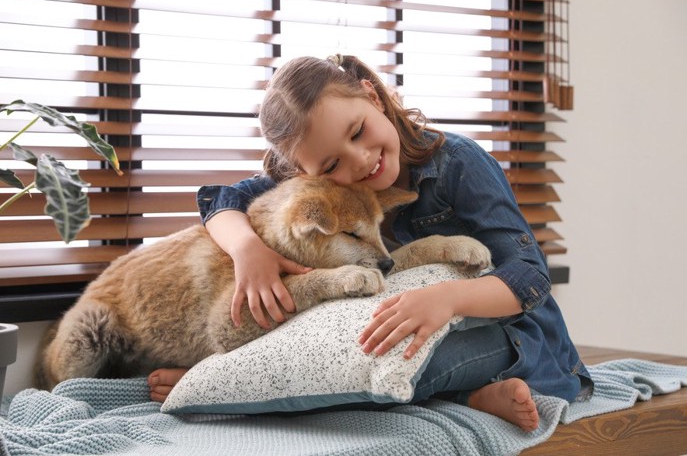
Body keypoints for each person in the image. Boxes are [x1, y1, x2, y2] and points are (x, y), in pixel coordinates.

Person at [148, 54, 592, 431]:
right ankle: (467, 395)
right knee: (335, 366)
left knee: (378, 373)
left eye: (358, 131)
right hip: (406, 328)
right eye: (331, 164)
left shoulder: (458, 164)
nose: (360, 161)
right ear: (306, 174)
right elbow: (219, 198)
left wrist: (448, 299)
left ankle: (470, 393)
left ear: (373, 97)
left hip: (511, 334)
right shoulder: (318, 181)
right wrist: (246, 248)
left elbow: (530, 276)